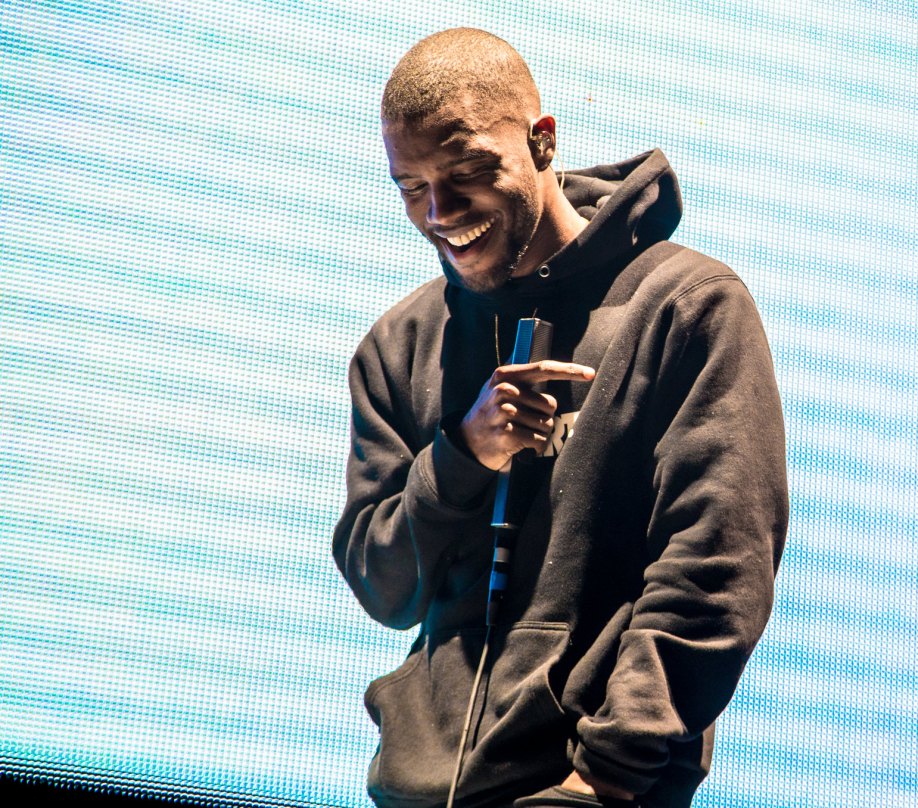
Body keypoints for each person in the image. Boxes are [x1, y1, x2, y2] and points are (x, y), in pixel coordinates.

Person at [333, 28, 788, 808]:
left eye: (468, 171)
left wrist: (605, 777)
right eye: (411, 188)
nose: (441, 213)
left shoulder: (685, 307)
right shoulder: (398, 346)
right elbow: (385, 587)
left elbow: (717, 565)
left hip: (587, 790)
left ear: (542, 141)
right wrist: (461, 457)